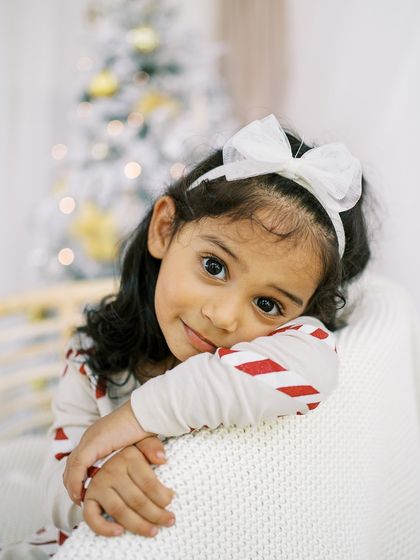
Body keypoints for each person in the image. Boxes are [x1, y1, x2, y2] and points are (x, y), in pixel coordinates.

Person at [0, 114, 370, 559]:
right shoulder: (91, 357)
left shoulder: (293, 352)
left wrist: (136, 417)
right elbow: (59, 477)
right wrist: (99, 476)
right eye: (214, 266)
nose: (224, 316)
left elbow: (317, 367)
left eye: (268, 304)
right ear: (164, 229)